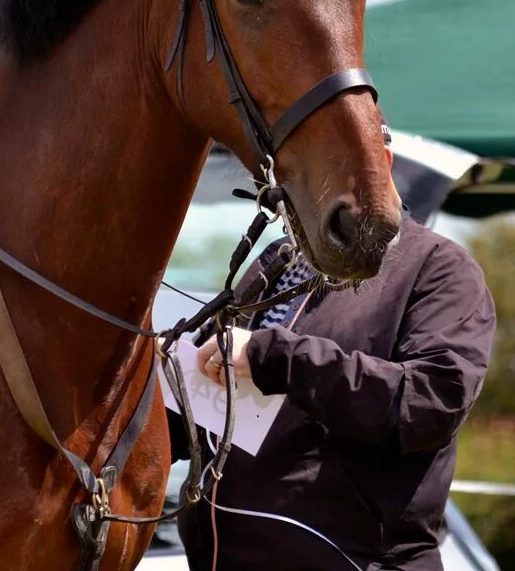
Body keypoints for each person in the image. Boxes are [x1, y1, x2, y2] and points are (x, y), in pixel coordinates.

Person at [175, 160, 496, 571]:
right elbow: (208, 398)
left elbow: (429, 402)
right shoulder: (279, 259)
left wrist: (277, 358)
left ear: (378, 158)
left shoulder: (439, 268)